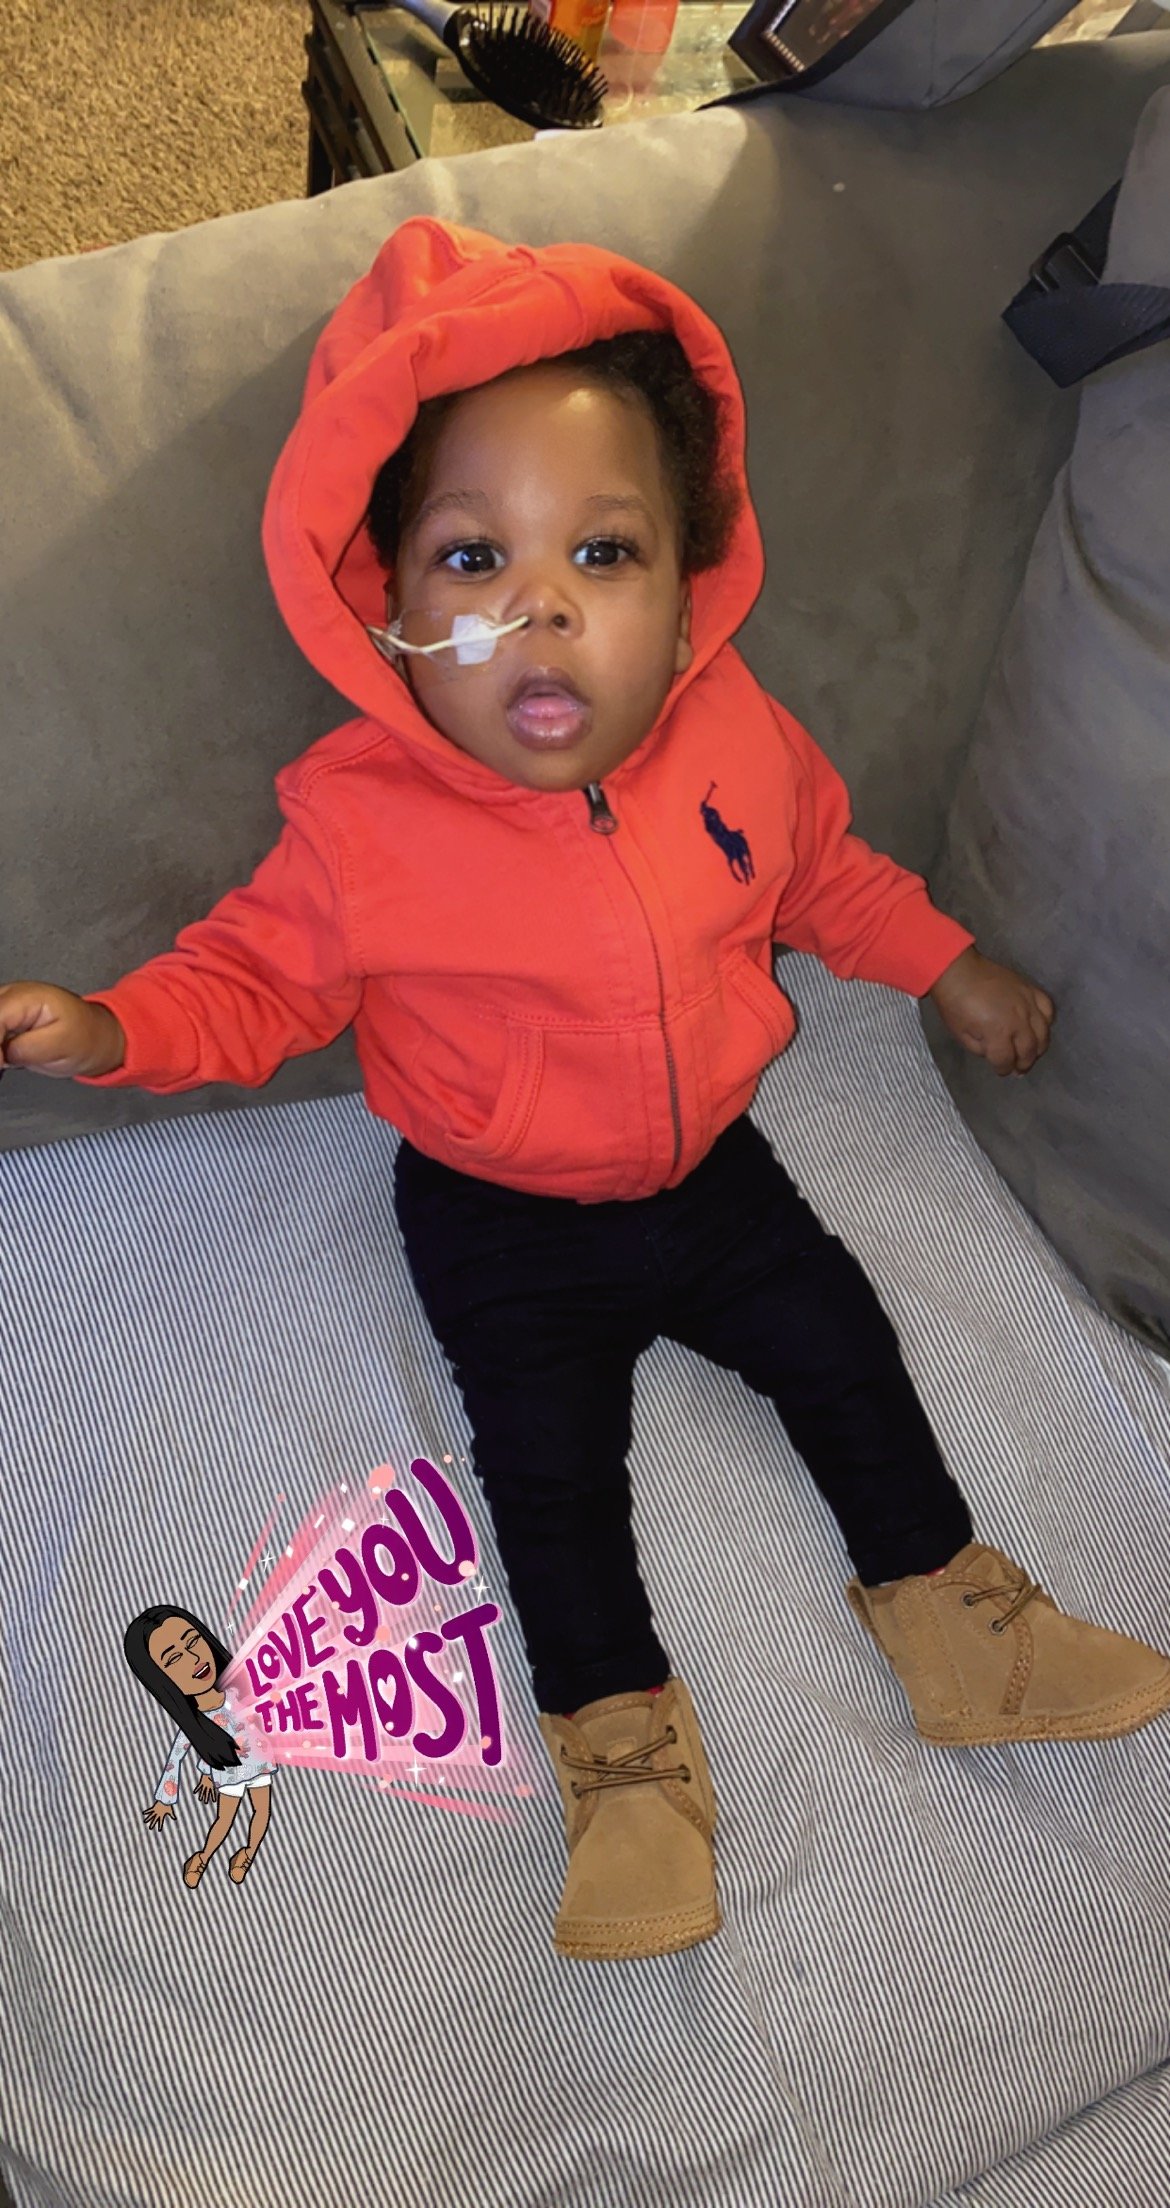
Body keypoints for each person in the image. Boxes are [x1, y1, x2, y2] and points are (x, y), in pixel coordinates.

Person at [4, 221, 1168, 1965]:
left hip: (710, 1169)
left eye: (602, 551)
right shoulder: (362, 824)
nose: (540, 606)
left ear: (688, 584)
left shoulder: (735, 735)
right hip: (499, 1214)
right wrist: (113, 1027)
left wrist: (949, 966)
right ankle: (618, 1753)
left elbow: (823, 875)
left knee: (842, 1345)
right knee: (549, 1479)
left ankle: (956, 1621)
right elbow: (250, 981)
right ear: (388, 611)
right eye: (473, 556)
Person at [124, 1605, 276, 1888]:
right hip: (229, 1771)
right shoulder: (194, 1723)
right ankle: (202, 1857)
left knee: (262, 1812)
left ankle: (247, 1854)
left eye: (193, 1641)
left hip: (260, 1762)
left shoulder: (236, 1692)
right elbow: (177, 1758)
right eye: (174, 1659)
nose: (194, 1659)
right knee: (224, 1821)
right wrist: (165, 1799)